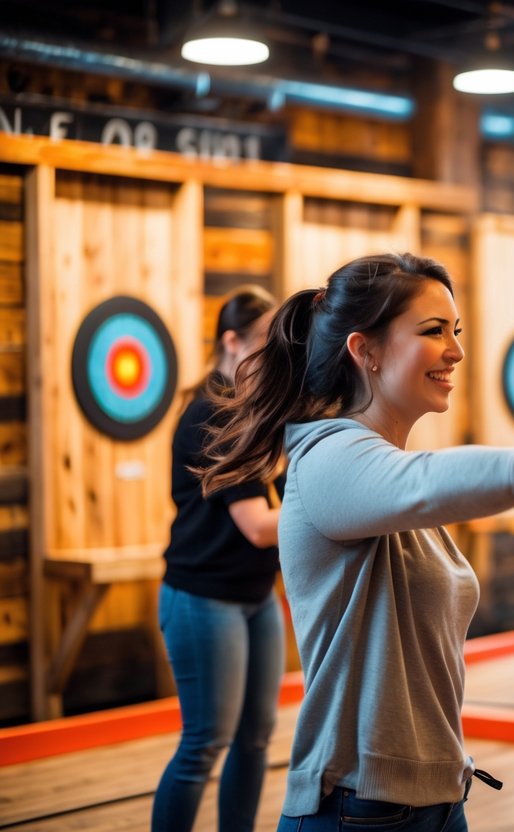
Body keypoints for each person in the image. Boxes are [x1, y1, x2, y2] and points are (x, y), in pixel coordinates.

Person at [197, 252, 514, 832]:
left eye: (456, 331)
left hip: (439, 798)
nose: (456, 351)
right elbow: (427, 483)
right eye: (432, 331)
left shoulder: (381, 471)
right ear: (364, 350)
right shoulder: (326, 458)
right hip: (356, 806)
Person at [153, 286, 284, 832]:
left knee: (255, 739)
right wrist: (335, 511)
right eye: (262, 346)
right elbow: (258, 526)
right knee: (205, 744)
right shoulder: (215, 412)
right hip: (203, 599)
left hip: (254, 598)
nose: (274, 361)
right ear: (231, 343)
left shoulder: (251, 408)